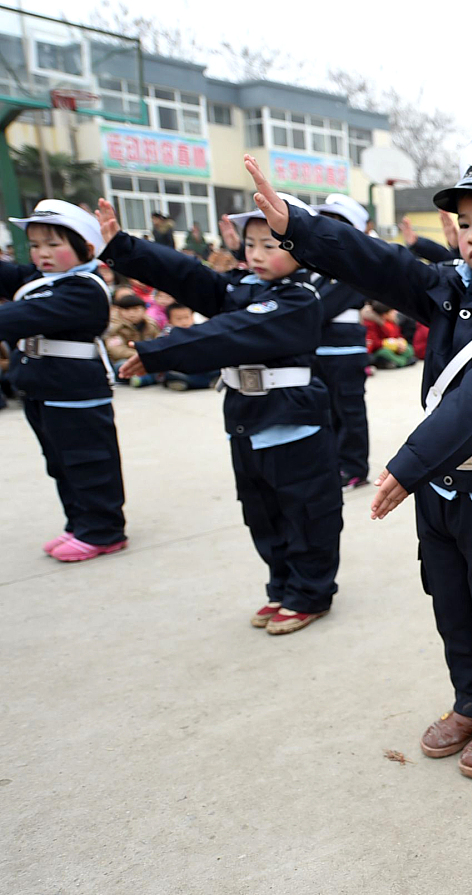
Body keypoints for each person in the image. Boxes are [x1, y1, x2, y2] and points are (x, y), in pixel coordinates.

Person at [243, 137, 472, 779]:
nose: (471, 235)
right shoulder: (452, 290)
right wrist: (299, 228)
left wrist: (408, 463)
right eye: (465, 222)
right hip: (443, 486)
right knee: (452, 601)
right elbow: (381, 264)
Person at [96, 192, 343, 637]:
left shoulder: (300, 299)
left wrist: (161, 351)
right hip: (246, 420)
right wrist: (123, 247)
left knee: (306, 513)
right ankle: (282, 585)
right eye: (251, 244)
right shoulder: (244, 289)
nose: (257, 254)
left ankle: (310, 593)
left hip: (292, 423)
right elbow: (189, 276)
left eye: (271, 244)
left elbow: (233, 332)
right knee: (262, 513)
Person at [0, 200, 128, 562]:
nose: (42, 253)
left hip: (74, 392)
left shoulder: (83, 289)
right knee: (59, 463)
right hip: (41, 390)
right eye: (35, 245)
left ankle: (103, 531)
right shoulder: (39, 279)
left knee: (88, 463)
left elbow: (15, 317)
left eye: (53, 244)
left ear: (85, 247)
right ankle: (79, 523)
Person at [311, 195, 374, 492]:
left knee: (349, 413)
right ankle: (333, 462)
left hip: (346, 353)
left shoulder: (356, 267)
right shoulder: (317, 266)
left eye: (336, 224)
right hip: (319, 351)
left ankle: (353, 467)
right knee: (326, 412)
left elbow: (319, 308)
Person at [106, 291, 162, 386]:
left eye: (136, 309)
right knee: (122, 366)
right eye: (127, 310)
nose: (131, 313)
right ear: (119, 311)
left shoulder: (151, 325)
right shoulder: (114, 327)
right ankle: (146, 379)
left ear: (144, 310)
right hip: (124, 360)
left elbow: (159, 342)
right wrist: (140, 355)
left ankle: (147, 378)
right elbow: (116, 351)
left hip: (147, 358)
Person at [160, 303, 219, 390]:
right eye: (179, 319)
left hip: (202, 369)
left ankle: (207, 382)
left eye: (187, 317)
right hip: (182, 370)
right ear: (169, 321)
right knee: (171, 374)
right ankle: (189, 383)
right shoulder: (166, 336)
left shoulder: (200, 331)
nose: (184, 322)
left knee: (219, 369)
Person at [363, 300, 416, 368]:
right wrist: (388, 343)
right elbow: (374, 342)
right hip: (380, 349)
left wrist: (400, 341)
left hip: (395, 348)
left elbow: (398, 335)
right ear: (385, 315)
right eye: (392, 312)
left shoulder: (392, 322)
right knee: (385, 353)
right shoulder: (372, 324)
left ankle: (399, 361)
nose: (395, 313)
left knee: (409, 349)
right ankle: (402, 362)